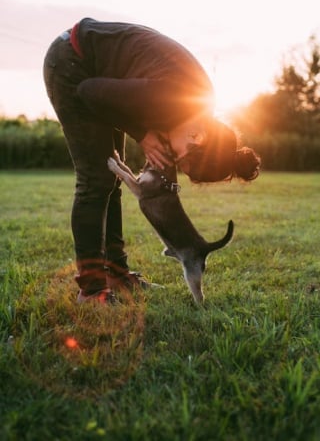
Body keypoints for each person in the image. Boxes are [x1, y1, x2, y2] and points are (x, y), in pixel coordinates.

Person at [43, 17, 260, 303]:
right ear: (198, 137)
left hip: (95, 70)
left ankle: (117, 275)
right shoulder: (173, 97)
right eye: (181, 158)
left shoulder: (195, 107)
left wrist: (144, 131)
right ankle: (92, 290)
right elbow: (88, 91)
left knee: (110, 181)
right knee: (96, 179)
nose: (173, 157)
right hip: (73, 62)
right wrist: (142, 133)